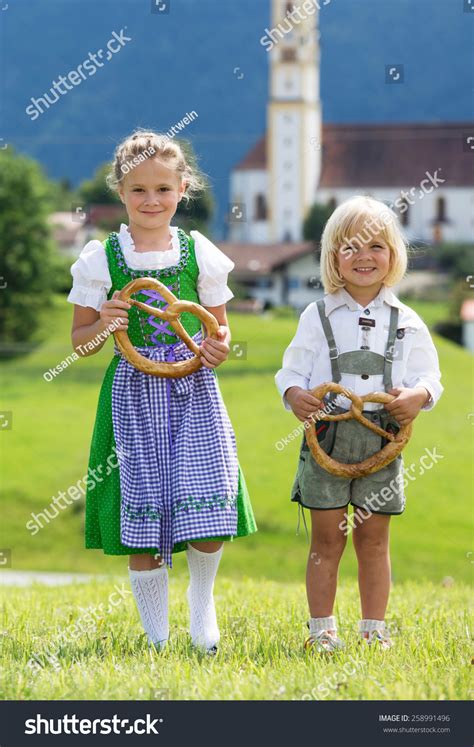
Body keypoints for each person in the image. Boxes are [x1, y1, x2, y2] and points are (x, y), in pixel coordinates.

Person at [67, 130, 257, 654]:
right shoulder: (101, 258)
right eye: (139, 190)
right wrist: (105, 323)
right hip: (131, 394)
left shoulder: (200, 252)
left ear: (183, 189)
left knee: (209, 502)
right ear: (120, 192)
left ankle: (202, 608)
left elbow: (217, 330)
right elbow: (80, 344)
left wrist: (219, 348)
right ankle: (155, 635)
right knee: (142, 509)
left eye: (162, 190)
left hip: (193, 389)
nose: (151, 201)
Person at [275, 196, 443, 652]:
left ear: (393, 255)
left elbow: (431, 377)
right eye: (349, 247)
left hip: (381, 438)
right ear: (333, 258)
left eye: (375, 246)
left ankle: (373, 631)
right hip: (327, 435)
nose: (363, 256)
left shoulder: (407, 321)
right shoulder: (317, 315)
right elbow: (289, 372)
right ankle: (322, 632)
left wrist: (419, 395)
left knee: (373, 539)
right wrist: (294, 394)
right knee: (327, 539)